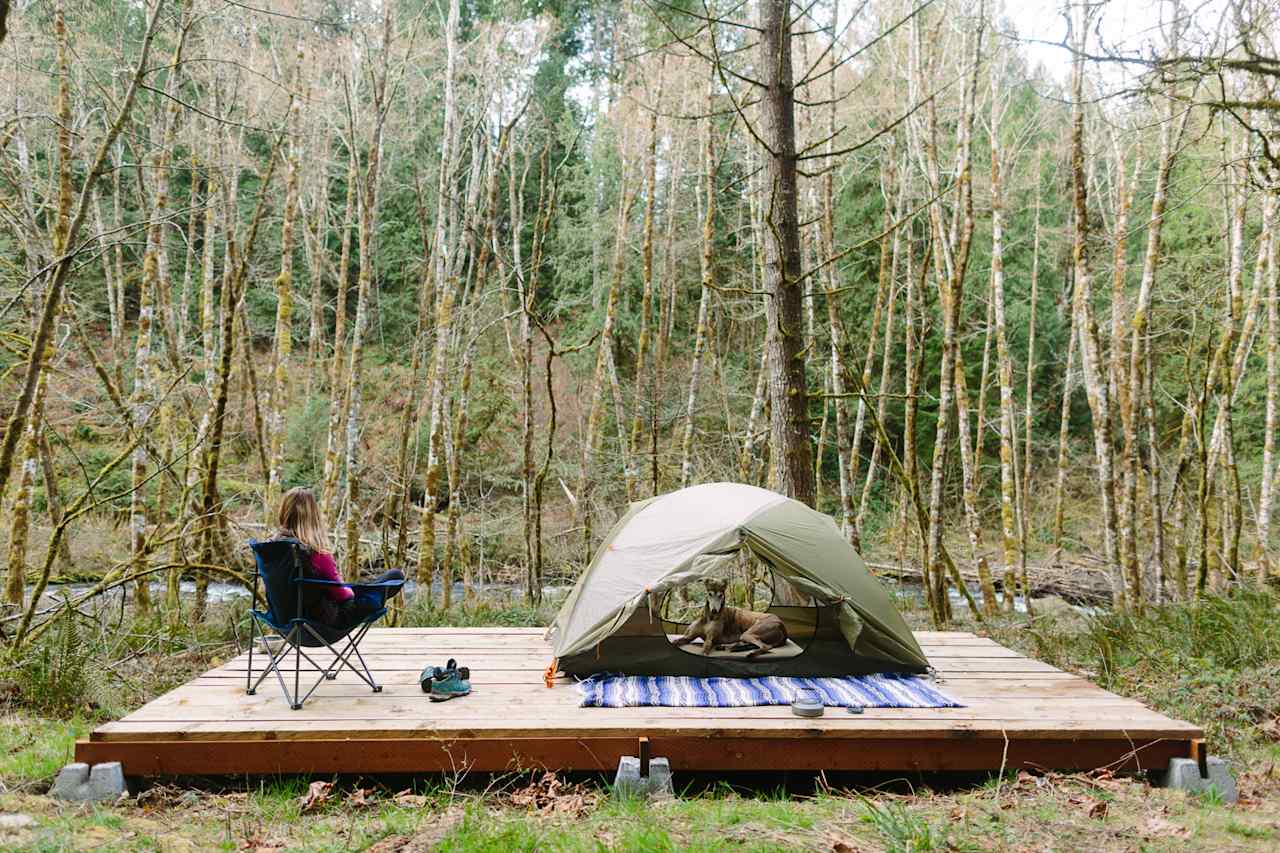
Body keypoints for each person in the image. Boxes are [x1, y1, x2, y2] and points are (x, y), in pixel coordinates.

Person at [273, 486, 403, 631]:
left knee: (364, 587)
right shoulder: (316, 553)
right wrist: (350, 591)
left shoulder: (271, 549)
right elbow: (342, 596)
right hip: (326, 622)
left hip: (285, 623)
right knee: (395, 576)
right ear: (313, 516)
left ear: (284, 512)